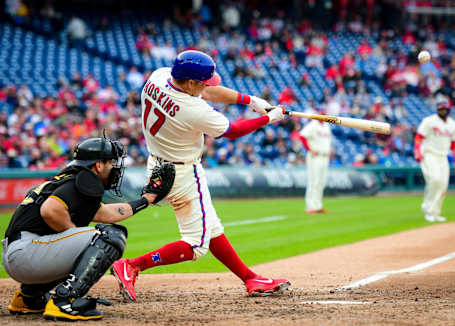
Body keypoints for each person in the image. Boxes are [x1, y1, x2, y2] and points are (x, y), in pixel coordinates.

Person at [111, 50, 289, 301]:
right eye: (202, 82)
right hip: (182, 172)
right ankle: (133, 265)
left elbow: (207, 91)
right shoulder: (193, 109)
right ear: (191, 82)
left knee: (211, 228)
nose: (206, 85)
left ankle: (250, 278)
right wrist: (268, 119)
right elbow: (233, 130)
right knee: (196, 244)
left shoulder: (159, 76)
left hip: (159, 164)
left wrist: (250, 100)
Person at [2, 136, 173, 321]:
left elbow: (108, 214)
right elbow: (50, 210)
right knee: (109, 236)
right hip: (27, 252)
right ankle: (64, 301)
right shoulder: (82, 181)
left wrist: (147, 199)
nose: (115, 168)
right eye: (111, 162)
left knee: (94, 239)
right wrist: (72, 233)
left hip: (23, 252)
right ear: (98, 165)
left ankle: (29, 299)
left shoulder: (70, 180)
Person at [414, 98, 455, 222]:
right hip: (430, 154)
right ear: (437, 109)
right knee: (435, 180)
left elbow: (454, 144)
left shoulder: (452, 124)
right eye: (440, 109)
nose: (442, 111)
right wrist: (418, 151)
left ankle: (436, 212)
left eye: (444, 109)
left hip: (443, 156)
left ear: (448, 109)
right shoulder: (429, 121)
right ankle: (428, 209)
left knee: (443, 185)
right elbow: (419, 137)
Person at [299, 109, 332, 214]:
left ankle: (318, 206)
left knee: (321, 182)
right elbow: (302, 136)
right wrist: (309, 149)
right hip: (315, 156)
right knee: (314, 181)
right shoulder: (313, 124)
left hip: (325, 155)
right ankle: (310, 207)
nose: (323, 115)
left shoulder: (326, 126)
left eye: (324, 114)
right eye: (322, 114)